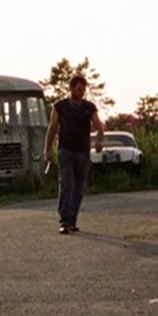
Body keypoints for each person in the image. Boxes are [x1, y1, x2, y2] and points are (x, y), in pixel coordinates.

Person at [44, 76, 104, 234]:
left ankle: (72, 220)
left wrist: (99, 141)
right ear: (71, 88)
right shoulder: (60, 106)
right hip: (65, 150)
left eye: (83, 89)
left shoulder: (89, 107)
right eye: (78, 89)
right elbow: (52, 128)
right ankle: (64, 220)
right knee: (66, 183)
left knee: (78, 187)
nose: (81, 92)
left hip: (83, 152)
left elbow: (99, 126)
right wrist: (48, 149)